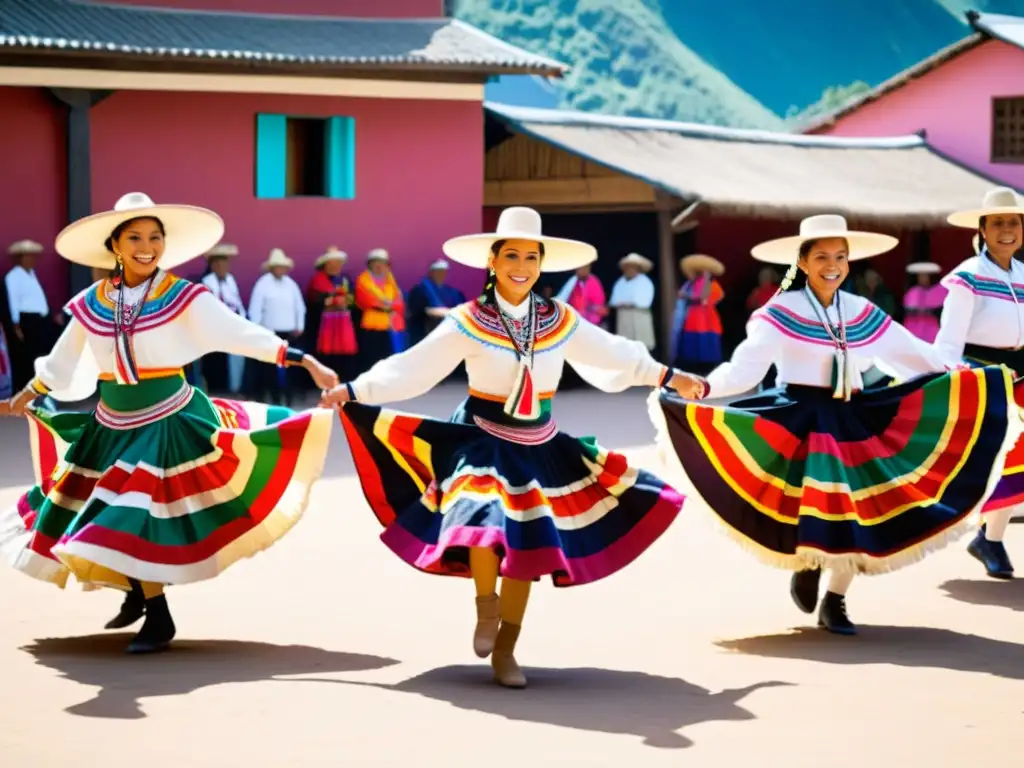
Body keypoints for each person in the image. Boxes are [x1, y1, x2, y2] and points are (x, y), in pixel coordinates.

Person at [320, 207, 689, 688]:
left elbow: (613, 352)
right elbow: (413, 367)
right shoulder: (468, 320)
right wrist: (354, 389)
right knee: (482, 517)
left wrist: (668, 375)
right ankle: (484, 605)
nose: (522, 265)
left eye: (531, 256)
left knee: (527, 543)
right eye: (511, 254)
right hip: (482, 438)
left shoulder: (560, 319)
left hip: (539, 443)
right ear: (493, 262)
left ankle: (507, 649)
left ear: (541, 263)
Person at [0, 192, 338, 654]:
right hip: (110, 423)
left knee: (132, 511)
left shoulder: (184, 297)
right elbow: (62, 362)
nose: (146, 246)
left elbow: (238, 332)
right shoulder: (90, 303)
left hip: (167, 420)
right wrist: (26, 395)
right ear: (114, 246)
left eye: (155, 237)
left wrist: (303, 360)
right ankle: (138, 593)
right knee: (101, 512)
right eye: (135, 237)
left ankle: (158, 618)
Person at [652, 214, 1019, 635]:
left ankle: (836, 600)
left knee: (860, 511)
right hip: (800, 417)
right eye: (822, 256)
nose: (833, 264)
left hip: (852, 416)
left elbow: (915, 354)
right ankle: (809, 563)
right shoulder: (779, 311)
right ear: (803, 262)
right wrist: (699, 388)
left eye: (841, 257)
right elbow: (744, 372)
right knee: (811, 508)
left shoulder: (860, 309)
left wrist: (980, 376)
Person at [936, 187, 1024, 579]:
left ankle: (991, 538)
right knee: (990, 457)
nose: (1007, 230)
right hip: (982, 374)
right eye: (998, 223)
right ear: (983, 230)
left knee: (1019, 457)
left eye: (1014, 222)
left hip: (1021, 372)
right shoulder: (967, 277)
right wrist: (956, 380)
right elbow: (949, 341)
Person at [248, 248, 306, 406]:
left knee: (291, 368)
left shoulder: (291, 285)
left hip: (289, 333)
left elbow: (299, 307)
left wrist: (299, 325)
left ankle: (289, 398)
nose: (281, 269)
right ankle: (272, 399)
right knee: (269, 370)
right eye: (278, 266)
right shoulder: (263, 284)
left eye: (283, 267)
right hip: (270, 334)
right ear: (272, 267)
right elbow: (255, 309)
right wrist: (257, 329)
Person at [4, 239, 64, 391]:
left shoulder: (31, 274)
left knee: (42, 354)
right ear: (21, 258)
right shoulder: (13, 277)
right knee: (27, 357)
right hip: (26, 322)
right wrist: (16, 326)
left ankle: (43, 389)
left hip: (40, 321)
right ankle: (26, 392)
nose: (32, 260)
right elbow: (13, 302)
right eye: (28, 256)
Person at [199, 243, 247, 394]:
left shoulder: (230, 280)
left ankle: (231, 390)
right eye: (218, 263)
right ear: (212, 265)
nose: (222, 266)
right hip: (213, 329)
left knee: (231, 363)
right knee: (214, 364)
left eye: (225, 263)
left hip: (231, 328)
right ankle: (215, 393)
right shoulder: (206, 282)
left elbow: (237, 302)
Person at [306, 246, 359, 383]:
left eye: (338, 263)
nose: (336, 266)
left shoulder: (344, 280)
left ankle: (344, 380)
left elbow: (352, 299)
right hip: (326, 325)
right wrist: (331, 300)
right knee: (326, 354)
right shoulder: (317, 280)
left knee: (345, 353)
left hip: (343, 323)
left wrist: (345, 301)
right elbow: (314, 300)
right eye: (333, 263)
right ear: (326, 264)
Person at [354, 248, 406, 374]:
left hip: (390, 325)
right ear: (370, 264)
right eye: (376, 262)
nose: (379, 266)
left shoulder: (390, 280)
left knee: (389, 355)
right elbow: (365, 300)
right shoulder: (363, 280)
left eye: (382, 263)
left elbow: (398, 300)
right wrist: (385, 306)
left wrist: (391, 305)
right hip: (372, 325)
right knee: (372, 356)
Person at [672, 254, 725, 375]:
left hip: (707, 320)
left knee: (707, 348)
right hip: (692, 318)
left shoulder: (713, 284)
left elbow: (703, 298)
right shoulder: (690, 284)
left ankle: (709, 372)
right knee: (691, 349)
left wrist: (706, 278)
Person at [405, 258, 466, 345]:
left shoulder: (451, 291)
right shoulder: (419, 290)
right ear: (431, 272)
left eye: (443, 272)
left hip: (443, 335)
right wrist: (437, 312)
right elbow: (418, 310)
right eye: (438, 271)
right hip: (424, 334)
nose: (441, 274)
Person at [608, 253, 656, 351]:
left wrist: (630, 303)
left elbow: (644, 301)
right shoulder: (620, 282)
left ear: (638, 268)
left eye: (633, 267)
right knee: (627, 347)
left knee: (642, 346)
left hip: (640, 315)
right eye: (628, 267)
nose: (630, 269)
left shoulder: (645, 281)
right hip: (624, 317)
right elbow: (614, 301)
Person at [903, 262, 947, 343]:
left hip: (932, 330)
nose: (922, 279)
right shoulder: (912, 291)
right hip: (913, 329)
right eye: (920, 276)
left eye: (925, 276)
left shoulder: (940, 290)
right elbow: (907, 309)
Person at [555, 262, 608, 328]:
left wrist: (589, 307)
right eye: (580, 268)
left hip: (592, 321)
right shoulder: (572, 281)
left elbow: (600, 305)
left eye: (586, 268)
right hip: (575, 320)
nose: (583, 270)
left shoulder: (594, 281)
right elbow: (562, 298)